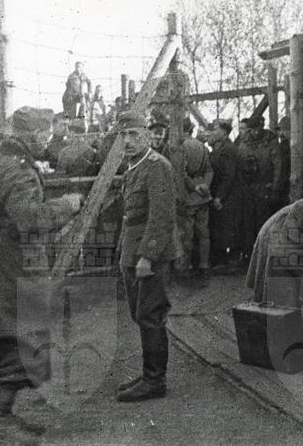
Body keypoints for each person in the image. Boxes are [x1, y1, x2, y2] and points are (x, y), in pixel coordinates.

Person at [0, 107, 83, 442]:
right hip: (15, 261)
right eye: (44, 133)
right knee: (19, 333)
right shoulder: (18, 169)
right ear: (32, 134)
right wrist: (68, 205)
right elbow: (30, 219)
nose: (47, 139)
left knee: (1, 331)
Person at [116, 111, 180, 402]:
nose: (128, 141)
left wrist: (147, 257)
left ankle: (155, 381)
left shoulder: (157, 166)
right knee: (141, 315)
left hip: (150, 254)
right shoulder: (134, 166)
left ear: (146, 135)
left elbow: (162, 216)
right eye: (123, 135)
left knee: (151, 316)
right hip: (134, 250)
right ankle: (148, 374)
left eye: (134, 134)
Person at [237, 115, 283, 260]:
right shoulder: (244, 142)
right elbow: (239, 163)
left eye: (258, 129)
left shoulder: (270, 141)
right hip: (248, 188)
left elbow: (278, 165)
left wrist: (275, 187)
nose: (255, 132)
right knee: (248, 222)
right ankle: (249, 254)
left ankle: (264, 255)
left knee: (263, 222)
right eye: (252, 129)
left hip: (265, 187)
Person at [179, 118, 213, 279]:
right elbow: (209, 169)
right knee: (204, 233)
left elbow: (181, 173)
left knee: (187, 234)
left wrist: (194, 187)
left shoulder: (179, 148)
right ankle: (204, 265)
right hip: (203, 196)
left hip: (188, 195)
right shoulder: (201, 146)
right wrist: (205, 185)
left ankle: (185, 266)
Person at [207, 119, 240, 267]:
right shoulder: (220, 148)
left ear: (224, 133)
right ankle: (223, 260)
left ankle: (231, 261)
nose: (214, 132)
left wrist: (220, 196)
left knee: (228, 227)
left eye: (216, 130)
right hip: (222, 191)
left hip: (228, 194)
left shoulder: (228, 149)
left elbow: (229, 175)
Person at [276, 115, 291, 209]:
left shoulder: (288, 146)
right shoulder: (282, 145)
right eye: (280, 130)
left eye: (284, 130)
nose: (281, 133)